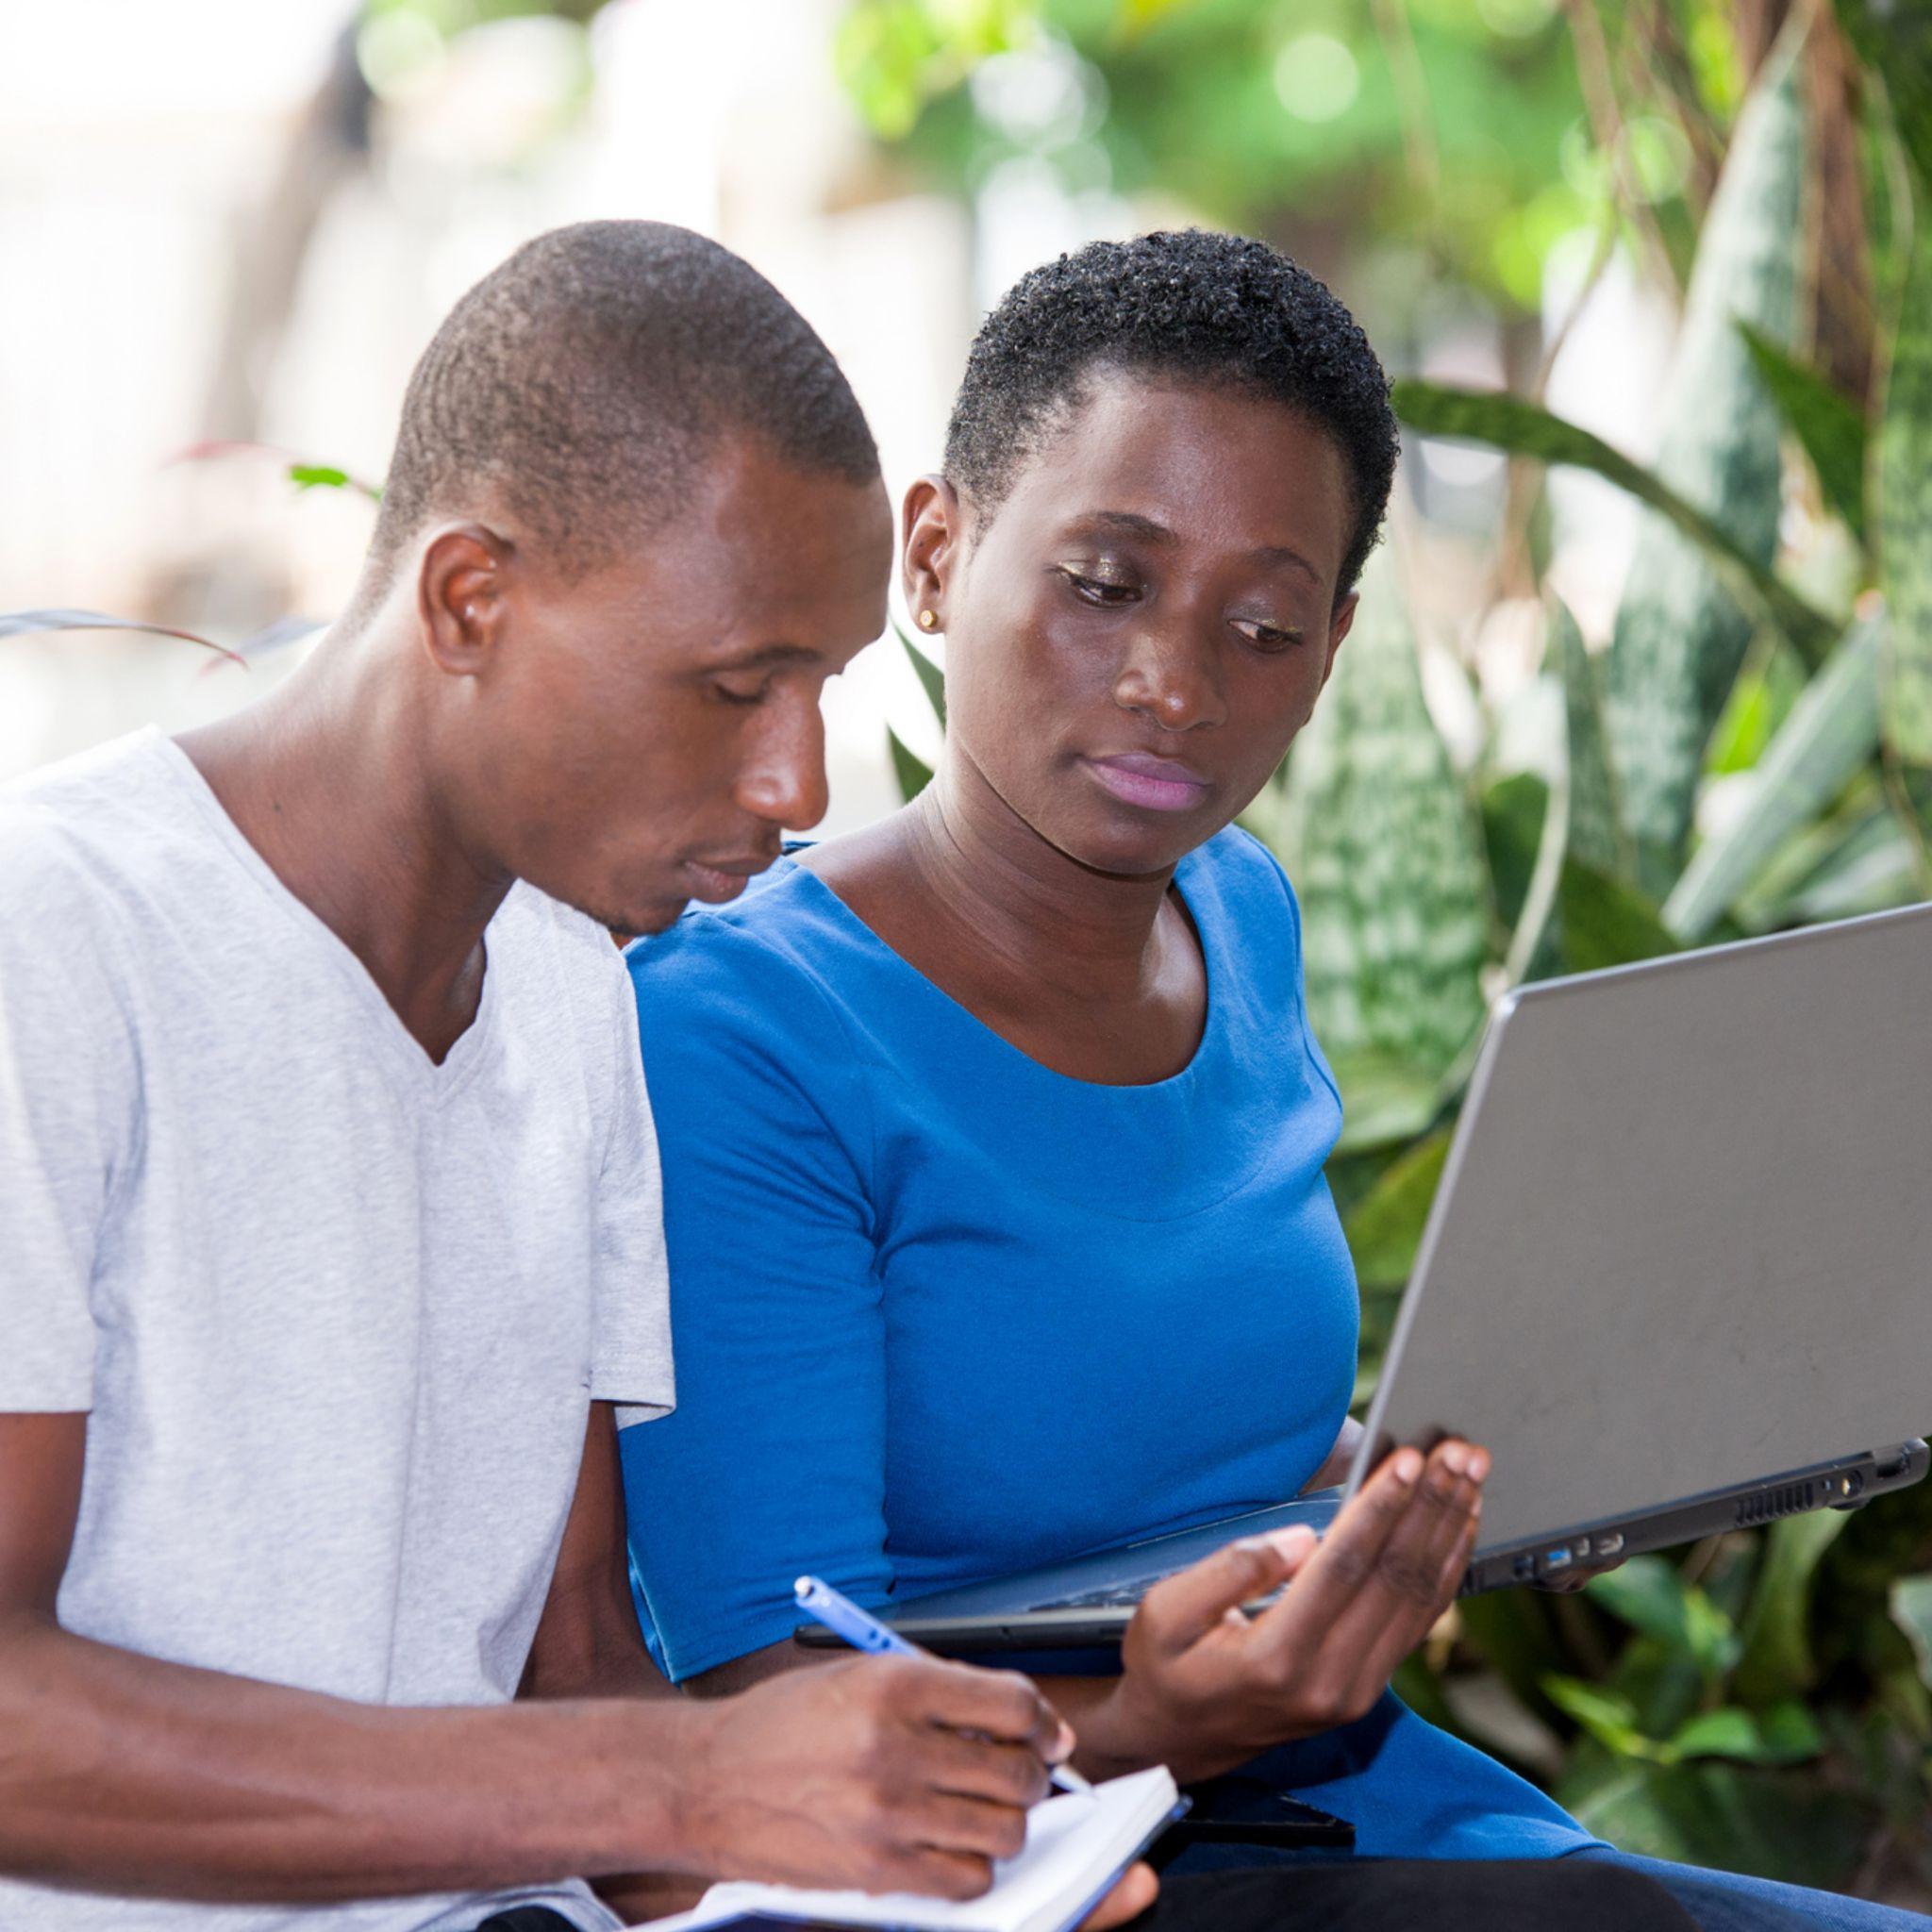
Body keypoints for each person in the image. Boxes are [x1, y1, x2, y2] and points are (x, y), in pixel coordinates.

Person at [0, 217, 1696, 1932]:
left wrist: (987, 1859)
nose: (800, 777)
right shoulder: (54, 942)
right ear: (468, 598)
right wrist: (712, 1786)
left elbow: (586, 1669)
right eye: (739, 687)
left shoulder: (568, 991)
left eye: (815, 686)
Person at [618, 229, 1930, 1932]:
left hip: (1339, 1797)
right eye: (1104, 584)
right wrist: (1168, 1716)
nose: (1175, 684)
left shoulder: (1243, 915)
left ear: (1333, 650)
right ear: (937, 557)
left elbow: (1211, 1456)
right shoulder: (741, 1034)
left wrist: (1473, 1484)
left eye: (1263, 624)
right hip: (1003, 1870)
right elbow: (754, 1721)